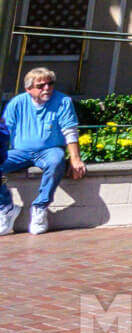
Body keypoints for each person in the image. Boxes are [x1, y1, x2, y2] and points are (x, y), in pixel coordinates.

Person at [1, 67, 86, 235]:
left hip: (49, 150)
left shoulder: (63, 101)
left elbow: (70, 131)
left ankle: (40, 207)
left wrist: (75, 159)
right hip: (20, 152)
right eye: (40, 86)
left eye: (50, 84)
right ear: (28, 89)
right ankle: (6, 208)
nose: (47, 88)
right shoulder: (17, 103)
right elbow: (4, 131)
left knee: (56, 161)